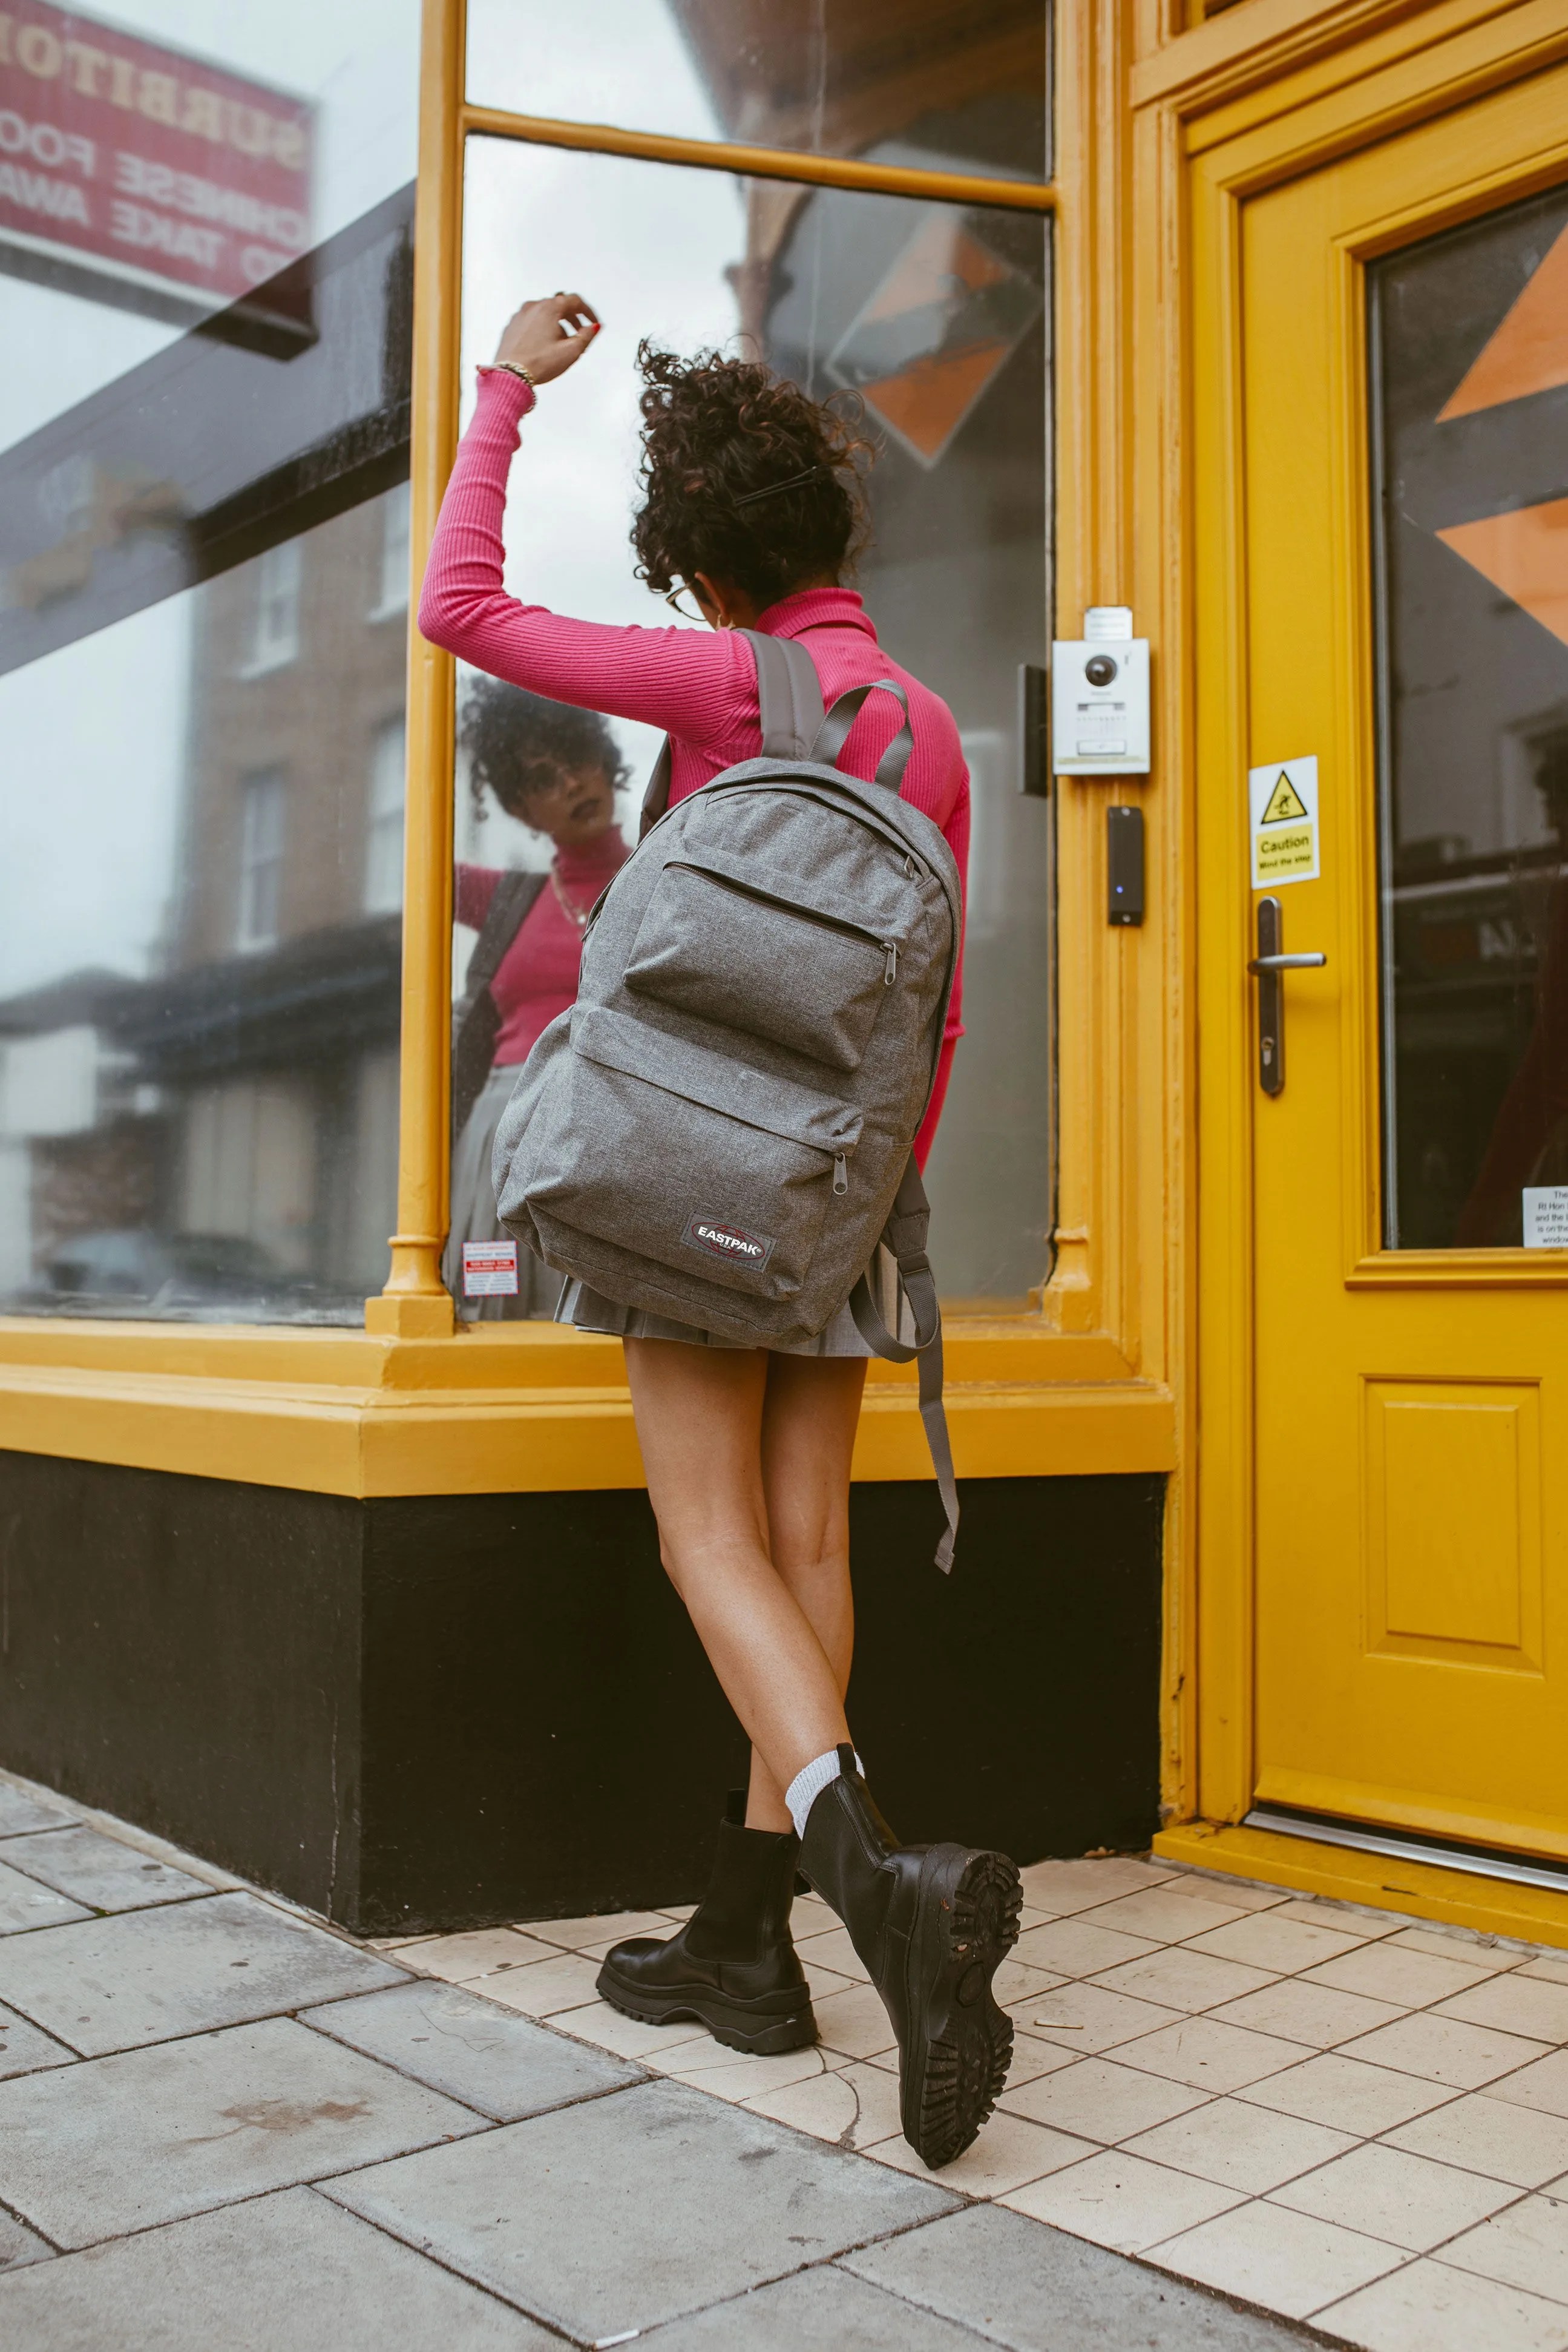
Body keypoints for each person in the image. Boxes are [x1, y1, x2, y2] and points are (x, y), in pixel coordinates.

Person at [419, 292, 1021, 2170]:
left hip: (693, 1178)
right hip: (847, 1189)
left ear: (700, 568)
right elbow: (930, 1007)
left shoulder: (728, 684)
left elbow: (459, 608)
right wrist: (876, 1205)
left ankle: (871, 1880)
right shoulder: (929, 725)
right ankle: (742, 1939)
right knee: (803, 1537)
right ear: (834, 536)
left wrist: (505, 388)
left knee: (705, 1535)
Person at [444, 683, 629, 1319]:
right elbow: (415, 860)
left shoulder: (665, 880)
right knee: (494, 1305)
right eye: (543, 779)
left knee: (598, 1319)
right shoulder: (503, 898)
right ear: (521, 809)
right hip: (504, 1129)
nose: (572, 783)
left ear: (604, 759)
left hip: (613, 1123)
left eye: (577, 758)